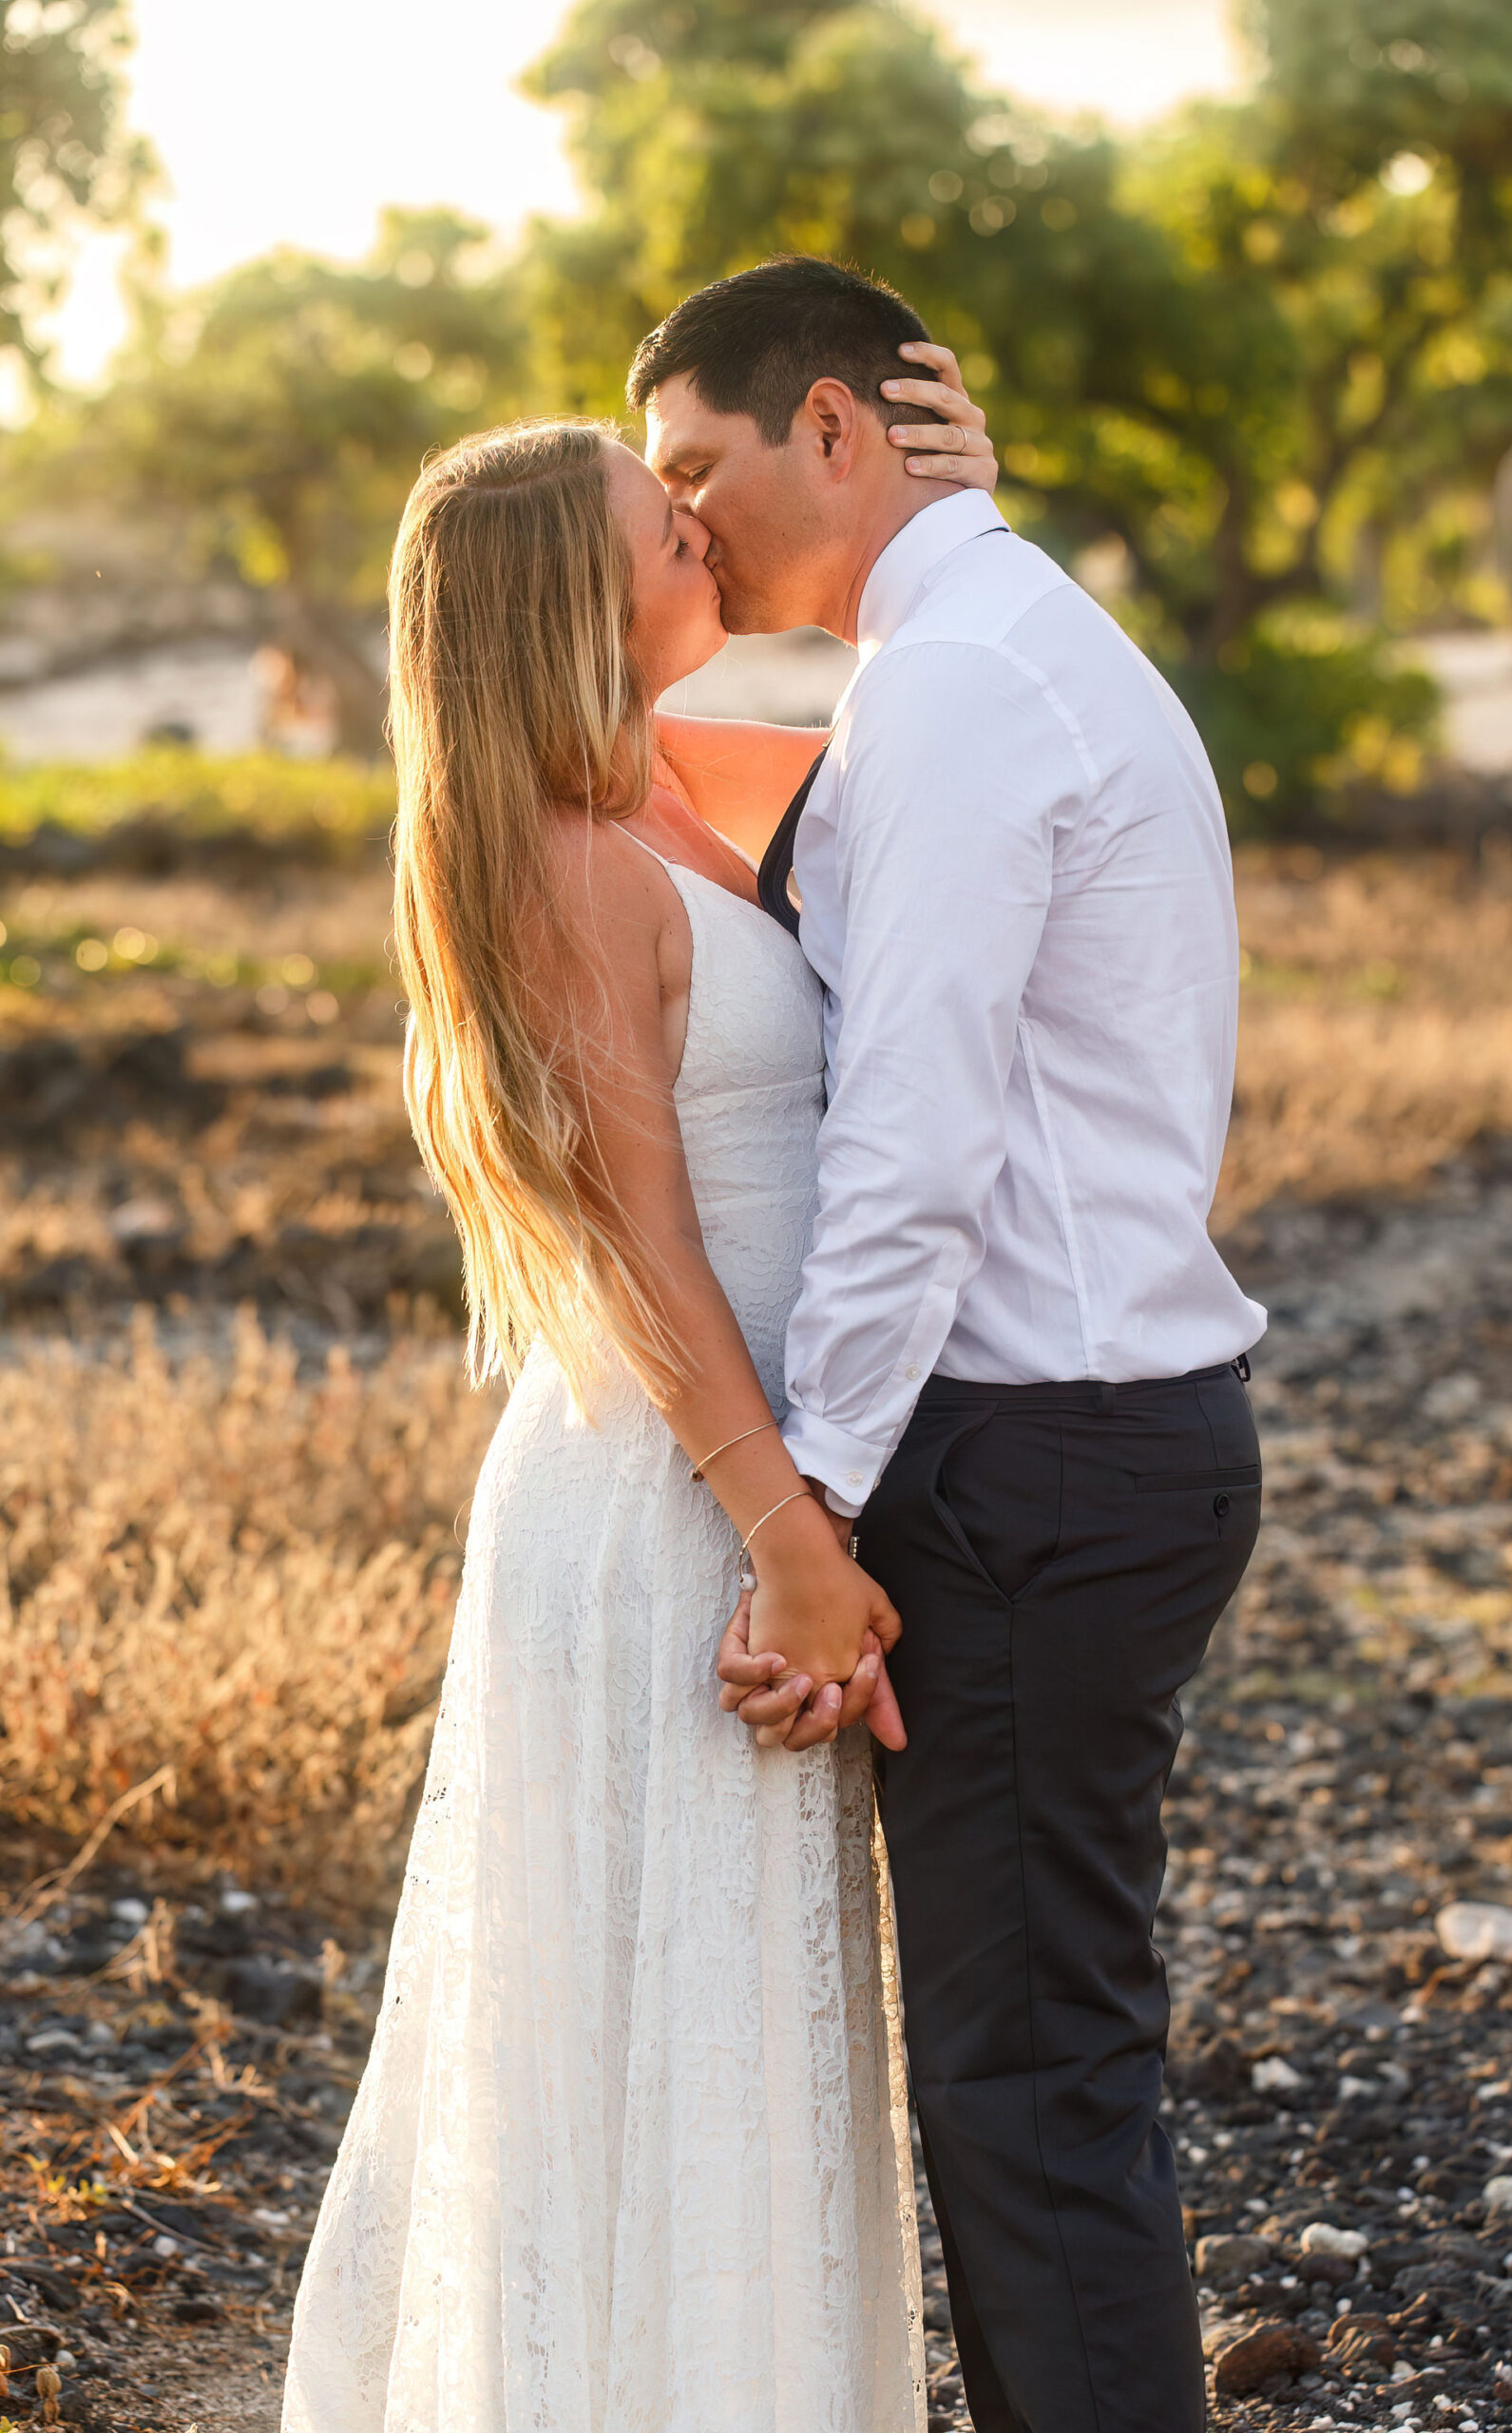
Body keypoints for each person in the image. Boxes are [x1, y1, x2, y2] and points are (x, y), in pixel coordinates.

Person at [281, 354, 1000, 2428]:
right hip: (676, 1497)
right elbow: (636, 1236)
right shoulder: (563, 860)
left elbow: (928, 695)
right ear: (566, 600)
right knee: (654, 2035)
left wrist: (957, 503)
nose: (700, 523)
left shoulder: (677, 781)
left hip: (746, 1473)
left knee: (738, 2037)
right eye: (657, 517)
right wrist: (784, 1536)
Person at [631, 258, 1268, 2432]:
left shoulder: (961, 684)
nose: (680, 518)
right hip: (1086, 1433)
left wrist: (802, 1489)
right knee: (1040, 2071)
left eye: (693, 469)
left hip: (1030, 1452)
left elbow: (910, 1135)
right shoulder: (983, 644)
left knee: (1025, 2084)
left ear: (826, 425)